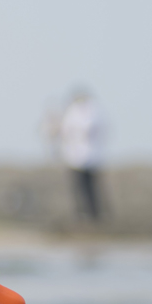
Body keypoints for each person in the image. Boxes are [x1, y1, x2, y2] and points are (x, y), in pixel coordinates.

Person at [59, 89, 106, 220]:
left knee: (91, 187)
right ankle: (82, 213)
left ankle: (94, 214)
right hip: (76, 157)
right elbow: (66, 133)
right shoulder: (72, 112)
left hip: (90, 156)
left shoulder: (94, 111)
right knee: (79, 187)